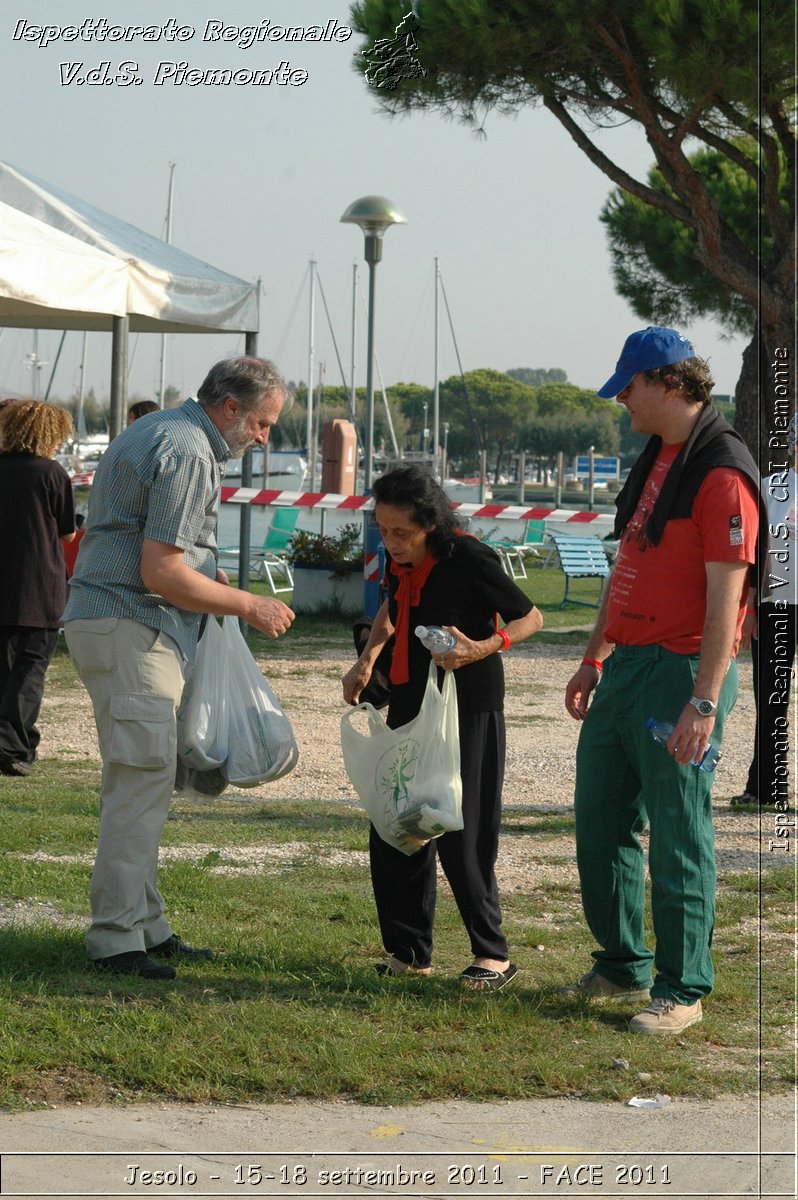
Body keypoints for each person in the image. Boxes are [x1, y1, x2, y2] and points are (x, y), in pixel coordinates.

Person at [63, 357, 295, 980]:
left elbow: (156, 549)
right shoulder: (192, 450)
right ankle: (116, 939)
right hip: (132, 625)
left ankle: (147, 925)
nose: (263, 437)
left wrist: (205, 578)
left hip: (111, 621)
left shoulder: (160, 429)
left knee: (149, 778)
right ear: (229, 408)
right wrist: (249, 604)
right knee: (140, 784)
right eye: (263, 423)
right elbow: (160, 572)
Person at [562, 326, 760, 1034]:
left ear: (670, 383)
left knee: (679, 833)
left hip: (681, 672)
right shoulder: (657, 459)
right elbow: (629, 568)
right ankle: (622, 963)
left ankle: (682, 990)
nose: (621, 400)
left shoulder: (720, 472)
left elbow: (726, 602)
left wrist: (703, 701)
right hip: (628, 665)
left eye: (629, 387)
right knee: (600, 819)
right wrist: (594, 655)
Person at [342, 464, 543, 990]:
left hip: (468, 707)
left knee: (463, 827)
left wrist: (484, 647)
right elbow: (392, 604)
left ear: (430, 523)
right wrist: (368, 658)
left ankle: (491, 954)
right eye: (383, 531)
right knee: (399, 820)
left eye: (402, 533)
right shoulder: (399, 559)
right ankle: (408, 951)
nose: (392, 542)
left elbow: (531, 618)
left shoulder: (469, 557)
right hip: (411, 701)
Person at [0, 400, 76, 776]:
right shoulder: (51, 473)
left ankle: (20, 740)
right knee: (30, 670)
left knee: (6, 669)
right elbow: (66, 532)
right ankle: (12, 746)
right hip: (38, 585)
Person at [732, 411, 797, 809]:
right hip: (774, 606)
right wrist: (751, 609)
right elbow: (753, 554)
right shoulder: (770, 489)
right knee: (771, 699)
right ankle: (767, 785)